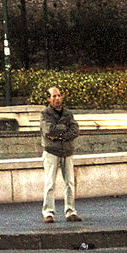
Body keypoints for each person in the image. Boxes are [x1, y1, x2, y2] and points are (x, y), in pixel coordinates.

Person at [40, 85, 82, 223]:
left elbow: (75, 130)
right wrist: (65, 129)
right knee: (50, 183)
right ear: (49, 99)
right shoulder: (45, 114)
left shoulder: (68, 113)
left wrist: (60, 136)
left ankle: (71, 212)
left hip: (67, 151)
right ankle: (48, 213)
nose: (57, 98)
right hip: (51, 152)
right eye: (54, 96)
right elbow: (49, 130)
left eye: (58, 95)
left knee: (70, 183)